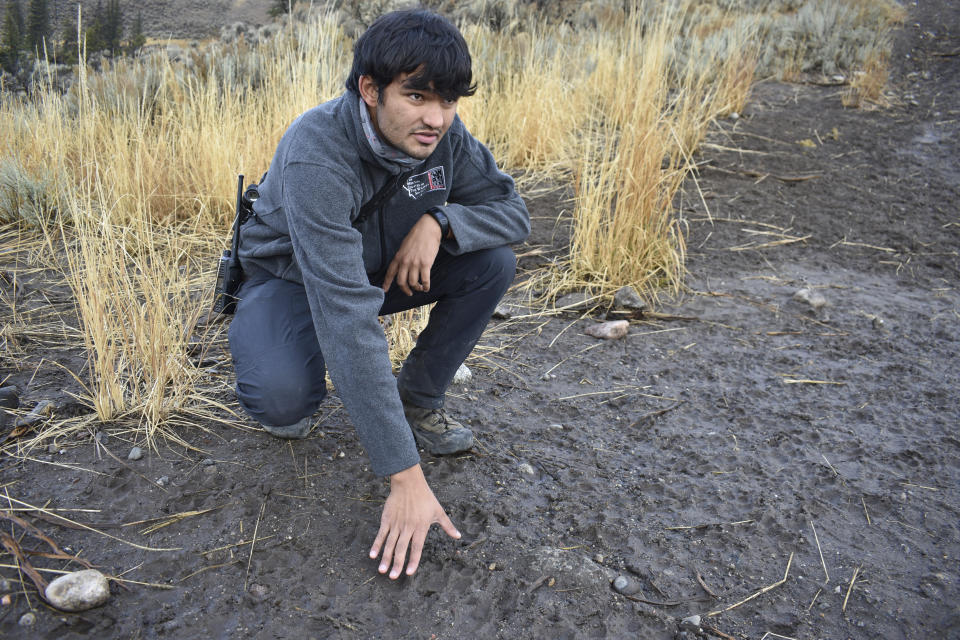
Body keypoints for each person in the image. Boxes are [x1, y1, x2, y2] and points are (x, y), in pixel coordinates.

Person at [227, 8, 530, 580]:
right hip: (292, 280)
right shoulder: (317, 151)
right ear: (370, 90)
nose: (437, 118)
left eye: (450, 100)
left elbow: (514, 214)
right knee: (286, 405)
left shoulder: (446, 135)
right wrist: (404, 477)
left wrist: (441, 222)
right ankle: (271, 338)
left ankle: (416, 401)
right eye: (417, 97)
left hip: (377, 272)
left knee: (491, 260)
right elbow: (347, 315)